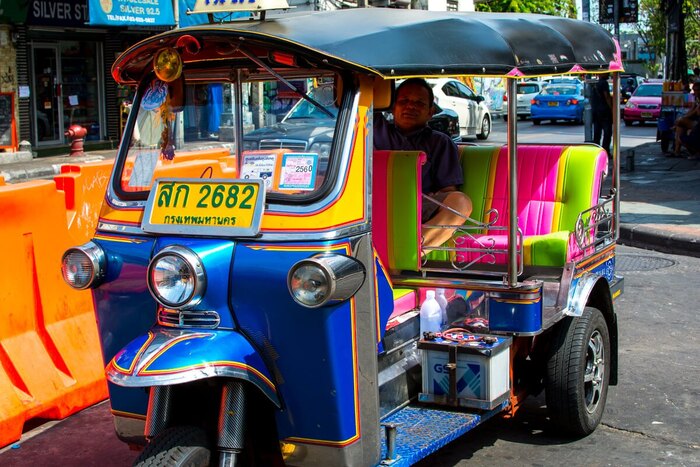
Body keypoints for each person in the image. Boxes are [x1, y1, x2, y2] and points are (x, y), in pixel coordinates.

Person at [374, 78, 472, 249]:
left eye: (419, 103)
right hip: (372, 203)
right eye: (403, 101)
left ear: (430, 112)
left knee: (461, 202)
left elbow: (448, 191)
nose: (410, 106)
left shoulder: (440, 142)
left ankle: (410, 251)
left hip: (419, 206)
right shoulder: (373, 129)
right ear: (392, 106)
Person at [674, 80, 700, 159]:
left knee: (680, 122)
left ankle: (677, 150)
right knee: (680, 125)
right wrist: (683, 118)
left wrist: (683, 118)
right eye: (694, 90)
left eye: (697, 90)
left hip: (698, 124)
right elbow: (691, 110)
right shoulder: (696, 99)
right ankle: (677, 150)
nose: (695, 92)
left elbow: (694, 112)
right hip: (695, 122)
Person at [590, 73, 613, 156]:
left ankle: (596, 151)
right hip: (604, 111)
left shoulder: (594, 84)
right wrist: (611, 108)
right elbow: (606, 96)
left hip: (595, 111)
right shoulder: (604, 83)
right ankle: (605, 151)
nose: (608, 74)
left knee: (597, 132)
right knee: (607, 132)